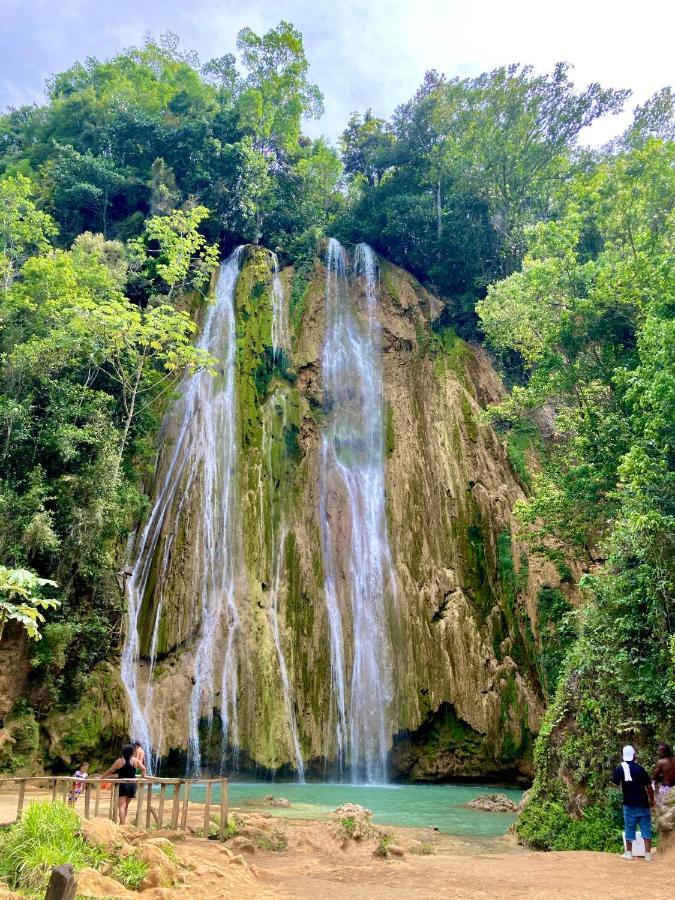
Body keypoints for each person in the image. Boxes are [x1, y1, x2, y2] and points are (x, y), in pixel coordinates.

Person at [612, 745, 655, 861]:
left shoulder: (620, 769)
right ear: (634, 756)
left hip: (628, 804)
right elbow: (649, 787)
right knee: (646, 827)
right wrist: (652, 800)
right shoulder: (640, 769)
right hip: (643, 804)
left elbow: (615, 782)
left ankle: (629, 853)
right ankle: (647, 855)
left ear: (623, 756)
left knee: (629, 827)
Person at [102, 744, 146, 824]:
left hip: (122, 785)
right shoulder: (135, 760)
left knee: (121, 806)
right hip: (132, 785)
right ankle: (122, 822)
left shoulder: (120, 761)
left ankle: (122, 824)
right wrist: (143, 776)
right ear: (131, 752)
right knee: (126, 806)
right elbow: (143, 768)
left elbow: (111, 771)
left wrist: (102, 777)